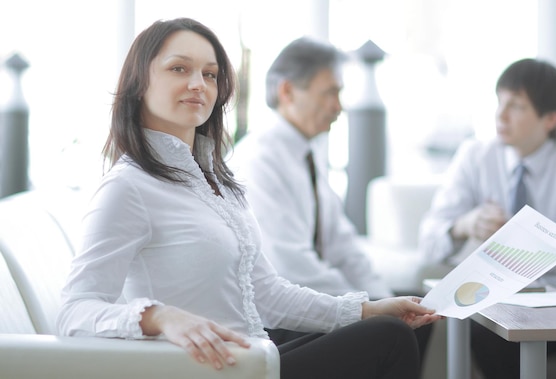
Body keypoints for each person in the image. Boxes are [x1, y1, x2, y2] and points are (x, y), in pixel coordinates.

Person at [55, 18, 442, 379]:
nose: (198, 84)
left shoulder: (216, 181)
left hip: (254, 352)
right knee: (389, 338)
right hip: (212, 368)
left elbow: (267, 292)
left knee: (391, 325)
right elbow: (74, 312)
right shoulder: (128, 187)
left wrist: (365, 309)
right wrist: (160, 316)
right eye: (179, 69)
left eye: (209, 74)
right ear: (139, 82)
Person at [416, 58, 556, 378]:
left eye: (516, 106)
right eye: (499, 102)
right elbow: (428, 241)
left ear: (550, 118)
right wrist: (465, 225)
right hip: (503, 297)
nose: (500, 115)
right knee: (481, 329)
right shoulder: (475, 157)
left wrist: (535, 252)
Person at [228, 36, 433, 362]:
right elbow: (293, 268)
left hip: (310, 301)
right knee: (391, 331)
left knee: (420, 309)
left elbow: (343, 245)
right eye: (330, 93)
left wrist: (381, 297)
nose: (338, 106)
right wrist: (365, 308)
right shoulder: (259, 161)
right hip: (275, 320)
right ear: (287, 92)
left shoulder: (307, 154)